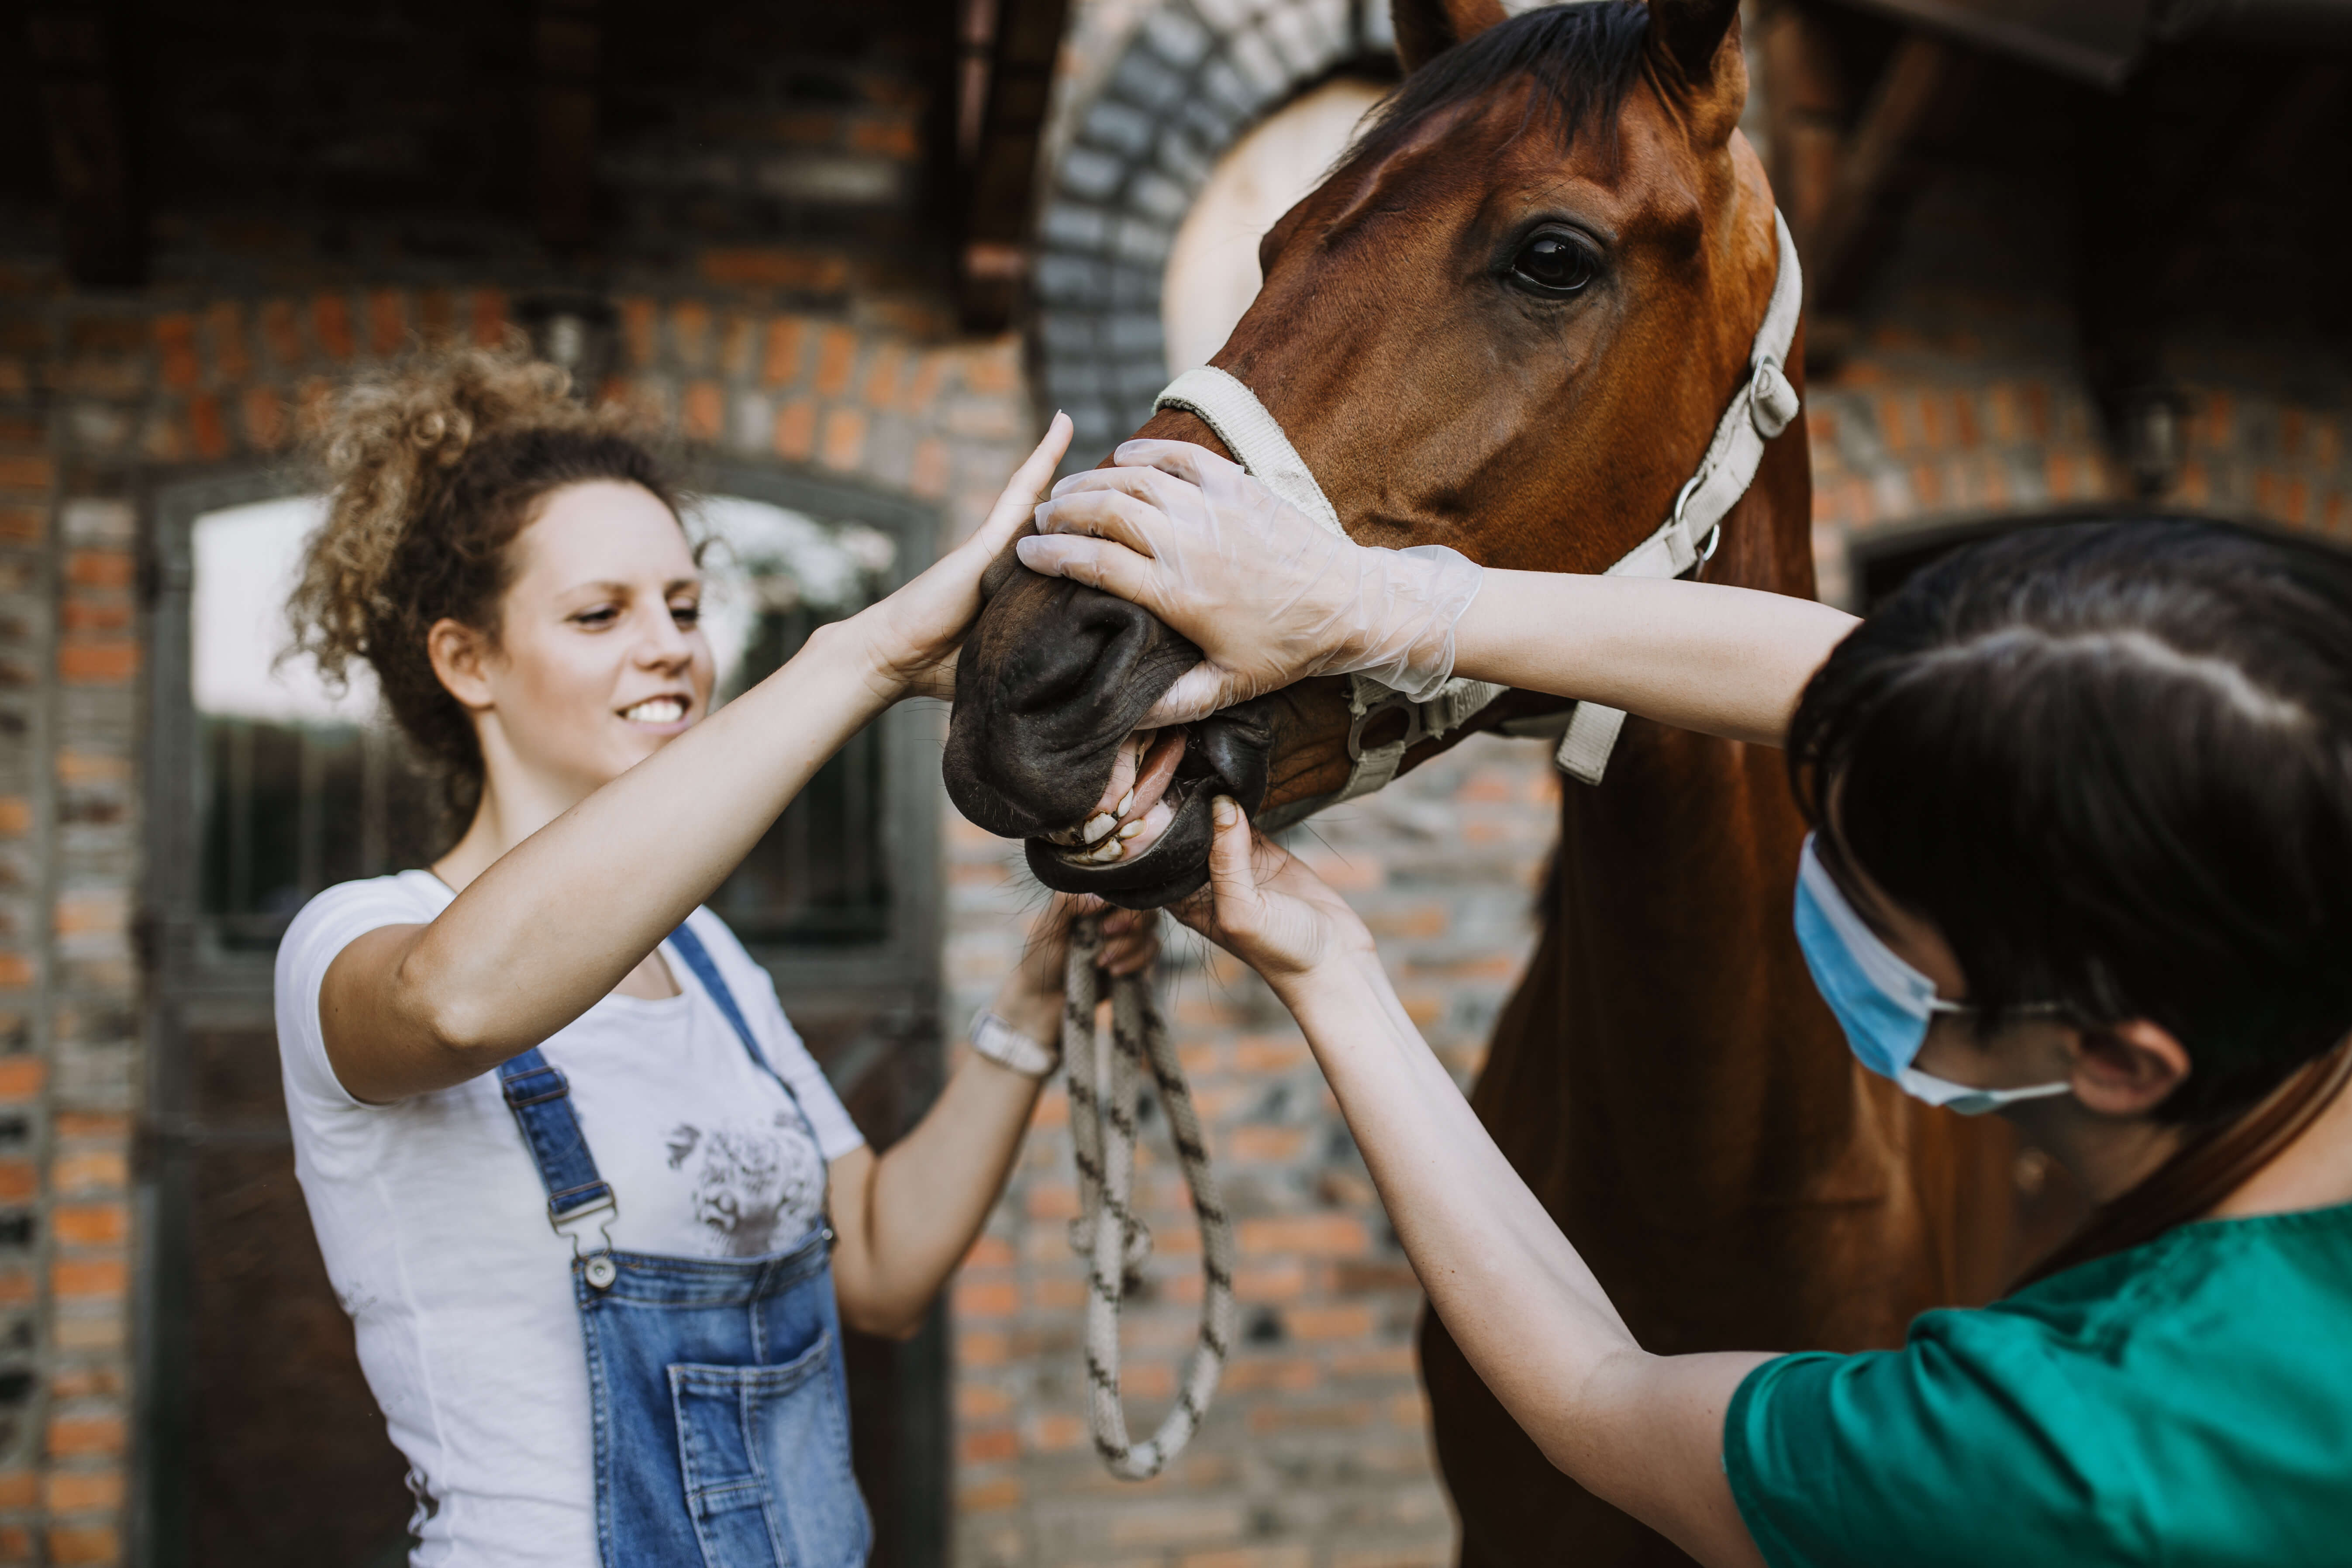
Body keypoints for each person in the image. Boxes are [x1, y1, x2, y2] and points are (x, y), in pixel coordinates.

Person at [1017, 441, 2352, 1568]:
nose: (1813, 878)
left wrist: (1328, 969)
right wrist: (1378, 605)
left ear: (2117, 1060)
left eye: (1870, 904)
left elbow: (1604, 1400)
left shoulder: (2059, 1456)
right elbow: (1843, 686)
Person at [274, 346, 1152, 1568]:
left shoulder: (714, 964)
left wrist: (1035, 998)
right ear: (466, 662)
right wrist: (862, 657)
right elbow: (460, 1006)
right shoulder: (360, 940)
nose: (670, 649)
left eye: (684, 607)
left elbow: (886, 1269)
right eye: (600, 614)